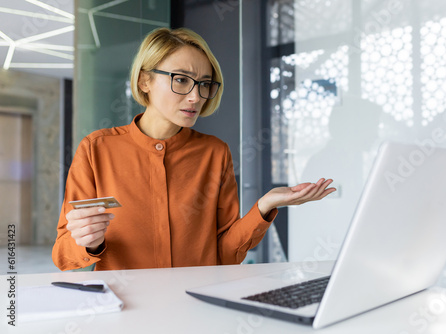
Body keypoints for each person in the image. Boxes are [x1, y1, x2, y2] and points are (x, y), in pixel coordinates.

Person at [52, 27, 335, 271]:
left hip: (195, 304)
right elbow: (62, 256)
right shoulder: (96, 149)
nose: (195, 96)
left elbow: (225, 254)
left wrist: (265, 205)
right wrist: (90, 242)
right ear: (144, 80)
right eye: (181, 80)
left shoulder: (215, 153)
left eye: (203, 84)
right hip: (124, 308)